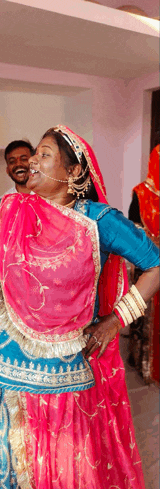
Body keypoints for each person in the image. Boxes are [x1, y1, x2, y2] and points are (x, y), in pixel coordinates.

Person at [0, 125, 159, 489]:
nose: (32, 161)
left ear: (74, 172)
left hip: (64, 370)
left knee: (66, 461)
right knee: (9, 454)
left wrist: (117, 320)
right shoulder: (9, 209)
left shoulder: (98, 221)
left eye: (44, 154)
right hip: (6, 361)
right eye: (35, 153)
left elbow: (155, 264)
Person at [128, 144, 159, 384]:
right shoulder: (141, 195)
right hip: (148, 267)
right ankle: (143, 365)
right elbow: (135, 234)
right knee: (144, 321)